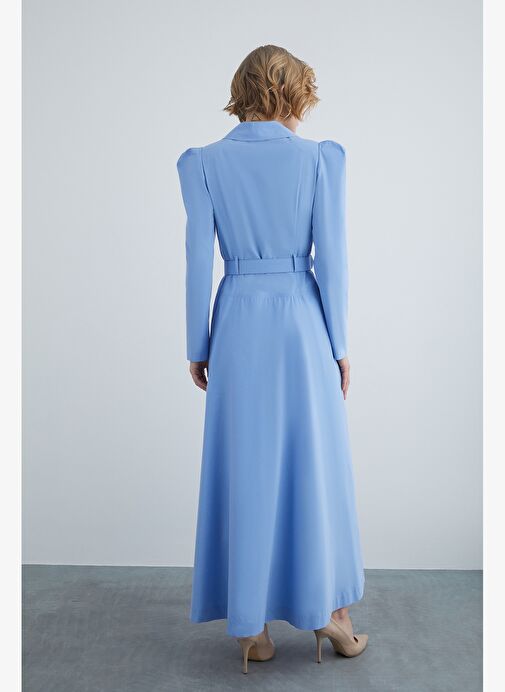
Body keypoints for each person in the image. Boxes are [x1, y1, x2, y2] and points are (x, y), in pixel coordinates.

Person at [176, 44, 368, 674]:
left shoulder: (203, 162)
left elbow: (197, 262)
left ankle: (252, 630)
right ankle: (329, 615)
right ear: (295, 92)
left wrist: (198, 344)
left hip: (236, 320)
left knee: (245, 462)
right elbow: (332, 261)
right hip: (301, 323)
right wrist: (339, 345)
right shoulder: (320, 159)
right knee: (313, 459)